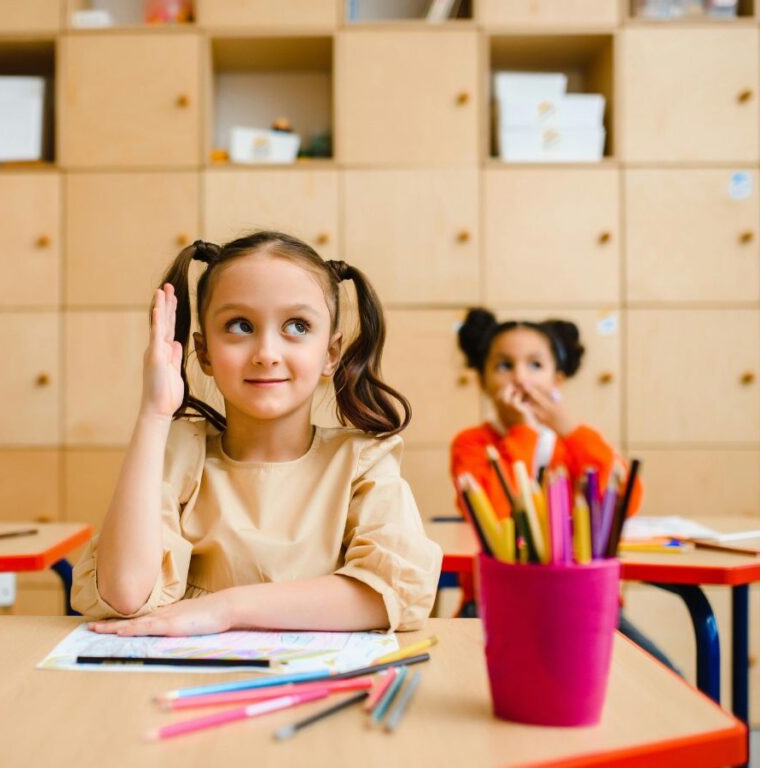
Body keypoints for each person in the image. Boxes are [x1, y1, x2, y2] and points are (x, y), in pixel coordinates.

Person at [71, 231, 442, 635]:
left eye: (297, 326)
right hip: (186, 688)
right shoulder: (179, 450)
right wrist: (154, 413)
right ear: (205, 351)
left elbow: (389, 593)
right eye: (240, 325)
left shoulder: (362, 462)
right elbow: (125, 592)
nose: (266, 352)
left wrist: (227, 608)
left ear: (330, 354)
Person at [450, 308, 676, 670]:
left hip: (582, 599)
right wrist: (522, 433)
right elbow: (496, 511)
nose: (521, 377)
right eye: (504, 366)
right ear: (482, 379)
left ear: (558, 378)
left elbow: (624, 500)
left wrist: (568, 428)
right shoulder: (472, 444)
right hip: (496, 601)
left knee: (666, 678)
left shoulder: (573, 442)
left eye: (535, 365)